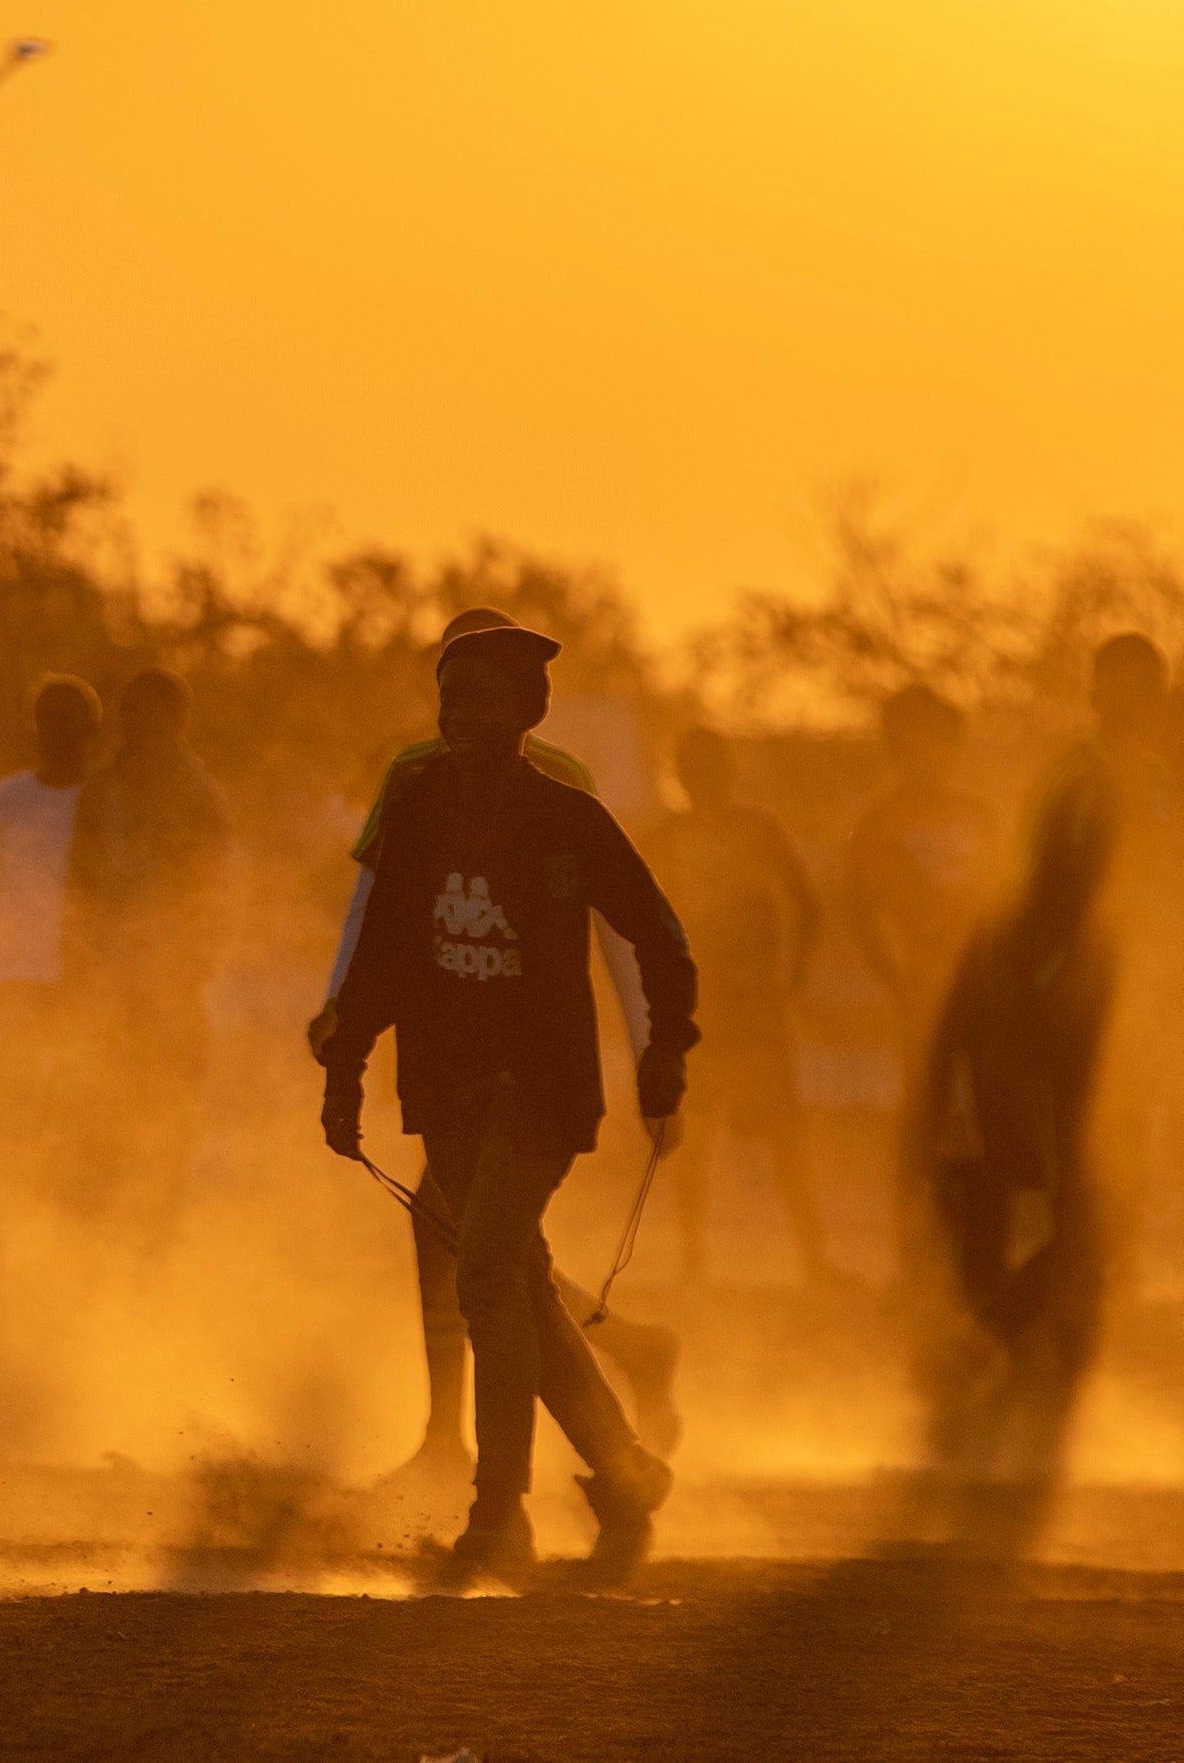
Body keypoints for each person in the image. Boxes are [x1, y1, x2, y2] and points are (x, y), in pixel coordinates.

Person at [316, 620, 695, 1585]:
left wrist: (664, 1056)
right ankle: (625, 1473)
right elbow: (384, 951)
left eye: (485, 701)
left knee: (484, 1275)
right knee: (517, 1286)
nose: (462, 718)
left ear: (530, 714)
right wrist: (344, 1067)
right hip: (442, 1088)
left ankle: (499, 1515)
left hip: (543, 1089)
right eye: (451, 698)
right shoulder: (418, 805)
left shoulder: (567, 818)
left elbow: (658, 936)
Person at [917, 634, 1173, 1483]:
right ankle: (988, 1359)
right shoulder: (1071, 779)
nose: (1128, 701)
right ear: (1096, 690)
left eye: (1145, 687)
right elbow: (1039, 894)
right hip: (1067, 1025)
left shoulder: (1163, 783)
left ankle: (1018, 1385)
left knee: (1106, 1218)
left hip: (1136, 1021)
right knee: (1070, 1209)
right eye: (1115, 685)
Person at [643, 727, 830, 1286]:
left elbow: (809, 908)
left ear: (727, 771)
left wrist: (789, 984)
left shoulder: (756, 831)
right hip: (702, 1010)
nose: (702, 778)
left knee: (785, 1136)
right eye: (691, 767)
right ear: (678, 776)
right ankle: (694, 1263)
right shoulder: (665, 840)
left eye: (710, 766)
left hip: (753, 1009)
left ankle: (813, 1260)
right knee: (696, 1136)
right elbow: (632, 922)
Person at [69, 669, 230, 1250]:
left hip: (171, 993)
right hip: (107, 988)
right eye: (135, 712)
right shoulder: (100, 790)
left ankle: (153, 1253)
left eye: (159, 714)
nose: (145, 726)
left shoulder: (200, 797)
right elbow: (77, 888)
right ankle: (100, 1256)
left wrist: (183, 968)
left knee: (165, 1132)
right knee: (100, 1130)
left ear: (179, 720)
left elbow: (216, 893)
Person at [844, 686, 997, 1280]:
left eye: (939, 739)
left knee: (990, 1118)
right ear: (895, 747)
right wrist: (897, 977)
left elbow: (1008, 898)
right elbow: (863, 913)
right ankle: (916, 1260)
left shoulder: (979, 816)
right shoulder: (882, 822)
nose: (928, 753)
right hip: (924, 988)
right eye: (913, 741)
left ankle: (982, 1256)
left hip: (983, 987)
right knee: (924, 1124)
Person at [0, 675, 100, 1211]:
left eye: (72, 720)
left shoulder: (105, 796)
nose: (60, 732)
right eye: (50, 720)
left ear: (92, 729)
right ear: (35, 728)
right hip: (15, 984)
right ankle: (6, 1222)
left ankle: (72, 1222)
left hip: (85, 989)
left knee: (79, 1117)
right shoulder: (6, 799)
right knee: (10, 1118)